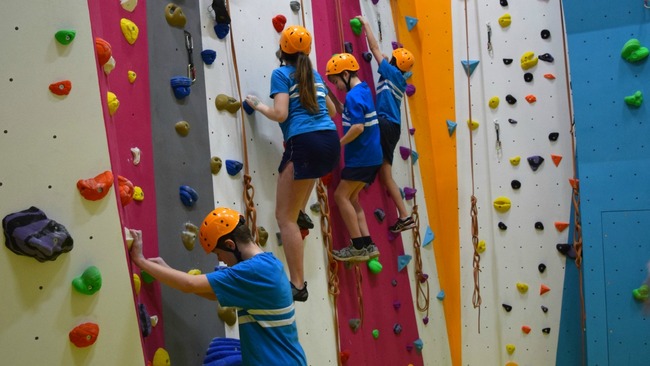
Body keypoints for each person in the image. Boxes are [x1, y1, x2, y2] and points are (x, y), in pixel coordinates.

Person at [128, 207, 307, 365]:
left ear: (230, 245)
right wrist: (165, 270)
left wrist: (140, 260)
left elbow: (189, 284)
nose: (221, 260)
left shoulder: (253, 271)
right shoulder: (268, 264)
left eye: (219, 254)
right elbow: (212, 293)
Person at [244, 25, 340, 302]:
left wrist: (258, 105)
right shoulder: (314, 75)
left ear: (281, 51)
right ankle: (300, 212)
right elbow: (332, 110)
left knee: (283, 218)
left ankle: (298, 284)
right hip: (329, 142)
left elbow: (280, 113)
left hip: (305, 142)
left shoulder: (281, 73)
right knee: (305, 179)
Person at [357, 15, 417, 233]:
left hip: (383, 123)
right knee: (387, 176)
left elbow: (374, 49)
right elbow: (381, 54)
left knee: (364, 137)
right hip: (393, 128)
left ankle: (363, 177)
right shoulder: (400, 78)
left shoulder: (390, 72)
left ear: (394, 63)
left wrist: (366, 24)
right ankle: (404, 215)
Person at [325, 53, 382, 262]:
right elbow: (345, 112)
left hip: (362, 158)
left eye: (337, 81)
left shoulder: (353, 96)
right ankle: (368, 245)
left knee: (340, 196)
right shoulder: (363, 90)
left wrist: (337, 144)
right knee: (352, 199)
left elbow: (357, 127)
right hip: (371, 158)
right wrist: (328, 91)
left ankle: (357, 246)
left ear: (346, 74)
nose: (338, 86)